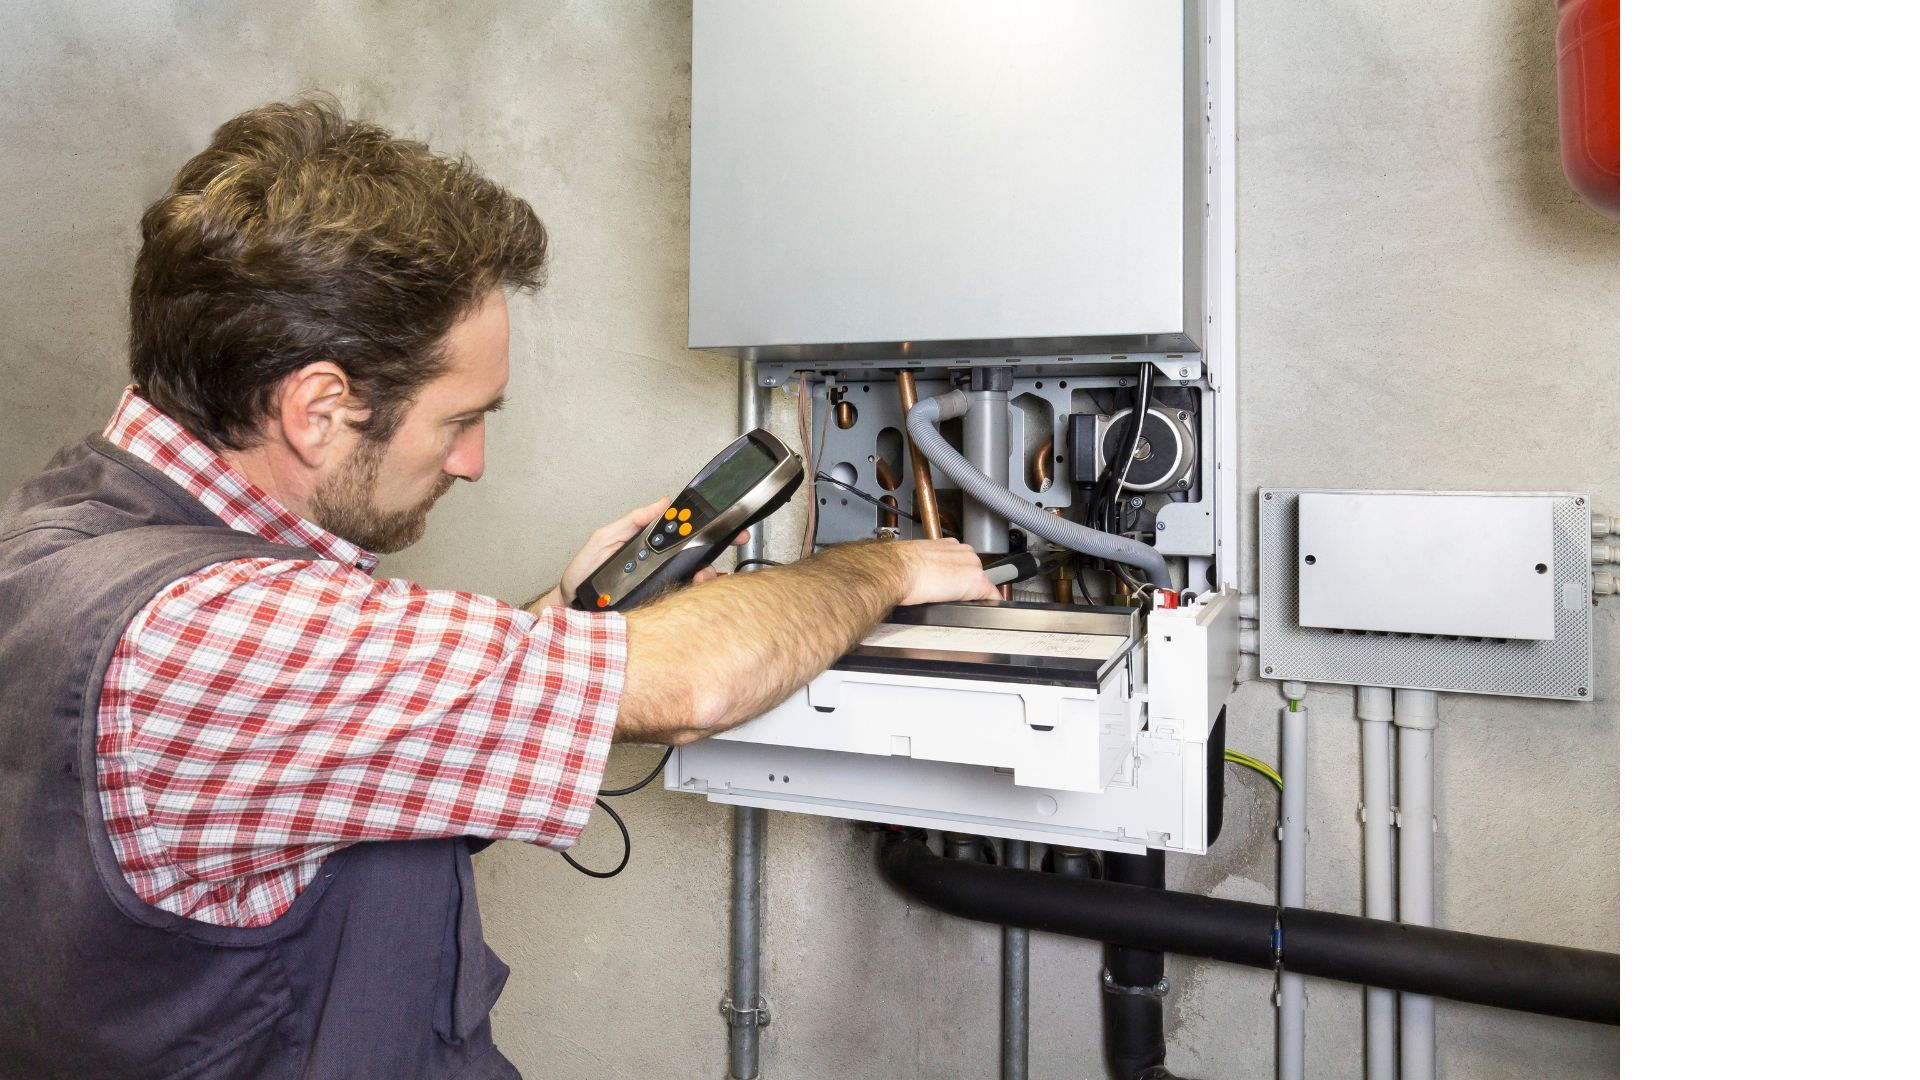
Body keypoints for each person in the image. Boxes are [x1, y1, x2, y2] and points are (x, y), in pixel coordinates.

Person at [0, 94, 996, 1078]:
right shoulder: (212, 632)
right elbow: (697, 685)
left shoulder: (61, 535)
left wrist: (556, 627)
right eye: (459, 418)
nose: (473, 460)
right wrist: (882, 561)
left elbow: (315, 740)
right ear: (316, 408)